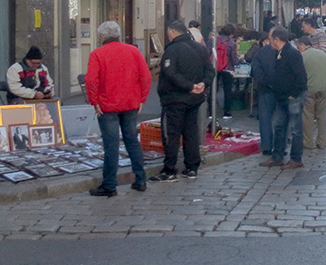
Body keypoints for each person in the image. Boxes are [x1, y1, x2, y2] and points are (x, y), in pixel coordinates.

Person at [84, 21, 151, 197]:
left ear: (101, 37)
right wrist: (142, 98)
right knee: (132, 141)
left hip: (107, 105)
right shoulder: (133, 51)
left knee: (111, 145)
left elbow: (91, 80)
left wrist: (94, 101)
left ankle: (109, 184)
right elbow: (145, 76)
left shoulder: (97, 54)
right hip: (130, 103)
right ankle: (140, 178)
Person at [153, 20, 215, 182]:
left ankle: (169, 169)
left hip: (174, 99)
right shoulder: (200, 48)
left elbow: (171, 73)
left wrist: (190, 86)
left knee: (171, 134)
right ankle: (192, 167)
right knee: (191, 132)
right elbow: (210, 69)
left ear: (173, 32)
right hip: (194, 99)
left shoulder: (172, 50)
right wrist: (203, 84)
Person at [260, 27, 308, 169]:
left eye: (270, 39)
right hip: (281, 97)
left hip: (292, 97)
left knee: (295, 129)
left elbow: (301, 78)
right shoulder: (279, 53)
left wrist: (294, 94)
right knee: (279, 126)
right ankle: (277, 156)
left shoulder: (292, 54)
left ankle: (296, 158)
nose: (269, 42)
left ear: (276, 39)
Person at [299, 34, 326, 150]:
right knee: (322, 116)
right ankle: (322, 141)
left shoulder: (302, 57)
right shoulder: (323, 55)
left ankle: (308, 142)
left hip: (309, 90)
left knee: (308, 116)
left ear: (303, 45)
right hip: (323, 89)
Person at [251, 31, 278, 154]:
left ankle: (267, 146)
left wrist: (266, 82)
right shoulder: (285, 51)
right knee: (280, 119)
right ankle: (280, 145)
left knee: (265, 118)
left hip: (265, 89)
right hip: (281, 90)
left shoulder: (261, 52)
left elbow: (255, 71)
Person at [216, 24, 240, 119]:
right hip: (227, 69)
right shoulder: (231, 43)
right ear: (232, 33)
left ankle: (210, 112)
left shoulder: (214, 40)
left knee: (214, 90)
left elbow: (208, 52)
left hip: (215, 68)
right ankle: (227, 112)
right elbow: (233, 60)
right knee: (227, 90)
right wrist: (240, 60)